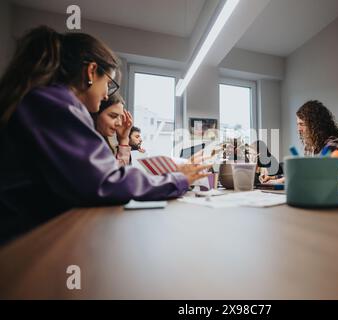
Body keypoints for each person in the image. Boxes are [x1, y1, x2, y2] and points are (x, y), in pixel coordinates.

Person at [0, 26, 209, 244]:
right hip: (20, 244)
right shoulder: (56, 104)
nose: (106, 93)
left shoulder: (44, 100)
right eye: (108, 83)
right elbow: (104, 182)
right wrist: (179, 179)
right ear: (91, 72)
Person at [260, 100, 338, 184]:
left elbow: (319, 173)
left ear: (315, 125)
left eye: (302, 124)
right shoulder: (310, 146)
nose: (298, 129)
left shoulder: (334, 143)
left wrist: (282, 180)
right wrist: (274, 177)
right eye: (297, 124)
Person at [92, 93, 133, 167]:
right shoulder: (90, 148)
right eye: (113, 116)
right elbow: (115, 175)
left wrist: (123, 139)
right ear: (95, 114)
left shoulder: (101, 145)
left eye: (120, 117)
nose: (119, 123)